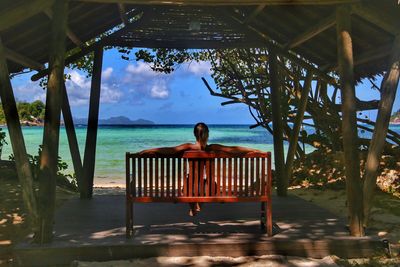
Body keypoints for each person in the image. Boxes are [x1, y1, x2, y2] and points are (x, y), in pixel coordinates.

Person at [139, 122, 261, 216]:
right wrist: (251, 150)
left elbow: (170, 150)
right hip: (209, 190)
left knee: (189, 182)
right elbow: (233, 149)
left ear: (194, 134)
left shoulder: (188, 147)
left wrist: (149, 150)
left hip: (189, 189)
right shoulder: (213, 147)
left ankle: (193, 206)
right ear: (207, 134)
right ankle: (199, 203)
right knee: (208, 182)